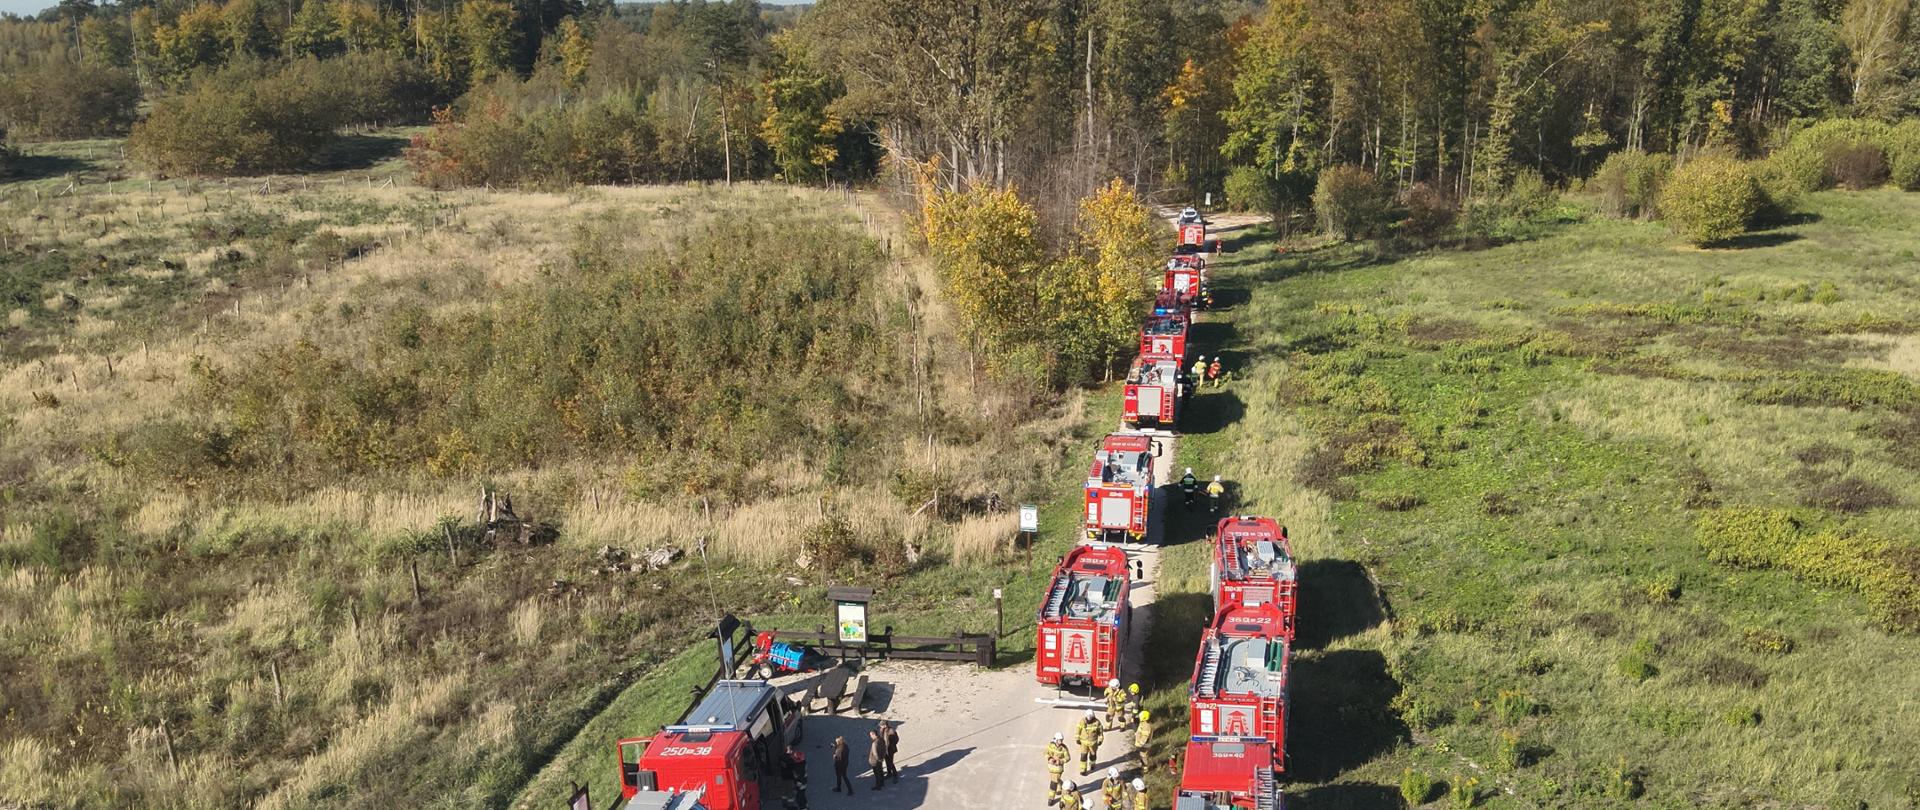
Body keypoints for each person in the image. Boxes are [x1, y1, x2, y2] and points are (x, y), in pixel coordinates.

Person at [1045, 732, 1071, 806]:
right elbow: (1046, 753)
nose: (1061, 742)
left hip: (1058, 769)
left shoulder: (1064, 748)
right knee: (1056, 780)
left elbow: (1068, 758)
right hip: (1051, 768)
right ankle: (1062, 786)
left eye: (1061, 740)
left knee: (1053, 783)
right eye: (1059, 740)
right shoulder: (1050, 746)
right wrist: (1049, 758)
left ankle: (1051, 798)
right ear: (1056, 740)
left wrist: (1060, 761)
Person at [1077, 709, 1103, 775]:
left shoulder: (1097, 722)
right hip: (1084, 743)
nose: (1089, 719)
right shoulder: (1082, 722)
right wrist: (1077, 738)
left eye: (1091, 717)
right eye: (1088, 717)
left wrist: (1100, 740)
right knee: (1083, 755)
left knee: (1093, 755)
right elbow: (1078, 730)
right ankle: (1083, 769)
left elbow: (1100, 732)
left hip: (1093, 743)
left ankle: (1092, 764)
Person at [878, 720, 900, 784]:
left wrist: (891, 744)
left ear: (885, 725)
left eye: (881, 725)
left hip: (890, 749)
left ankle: (895, 774)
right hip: (884, 749)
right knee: (887, 761)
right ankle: (889, 773)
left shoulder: (891, 731)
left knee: (890, 762)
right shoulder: (882, 730)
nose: (880, 726)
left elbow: (896, 739)